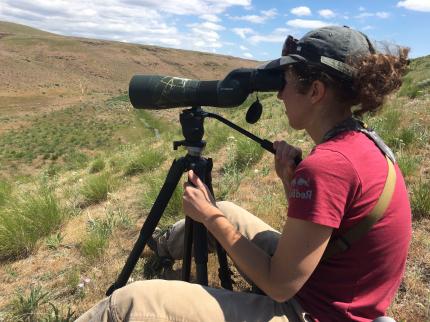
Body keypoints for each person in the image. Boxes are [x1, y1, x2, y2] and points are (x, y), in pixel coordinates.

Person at [76, 25, 411, 322]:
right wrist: (289, 183)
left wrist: (207, 217)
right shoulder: (363, 141)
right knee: (229, 212)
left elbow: (279, 285)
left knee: (126, 303)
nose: (280, 93)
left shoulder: (328, 166)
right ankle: (162, 246)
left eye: (288, 81)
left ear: (316, 91)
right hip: (336, 289)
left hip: (314, 311)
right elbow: (327, 230)